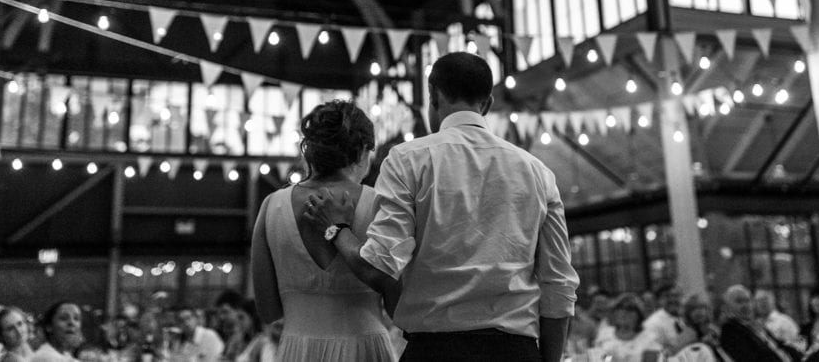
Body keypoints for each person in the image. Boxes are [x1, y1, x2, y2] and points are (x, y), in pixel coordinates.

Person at [304, 52, 579, 362]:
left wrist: (335, 228)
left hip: (435, 351)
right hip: (516, 351)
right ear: (487, 104)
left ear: (432, 94)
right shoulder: (538, 172)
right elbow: (559, 286)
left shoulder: (408, 160)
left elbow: (377, 265)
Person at [251, 99, 397, 361]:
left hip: (298, 350)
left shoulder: (272, 207)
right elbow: (398, 303)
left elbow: (268, 310)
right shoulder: (379, 205)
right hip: (366, 348)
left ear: (310, 151)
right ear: (363, 150)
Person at [720, 285, 803, 362]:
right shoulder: (730, 330)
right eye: (739, 301)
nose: (745, 305)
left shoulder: (756, 325)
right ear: (728, 307)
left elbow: (780, 345)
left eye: (747, 300)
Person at [592, 293, 661, 361]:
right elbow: (603, 360)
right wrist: (609, 358)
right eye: (620, 308)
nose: (624, 312)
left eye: (630, 309)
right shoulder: (604, 334)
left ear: (639, 314)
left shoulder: (649, 337)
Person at [643, 282, 694, 354]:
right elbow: (653, 354)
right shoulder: (652, 324)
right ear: (658, 300)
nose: (672, 300)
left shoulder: (684, 319)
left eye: (676, 296)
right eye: (667, 296)